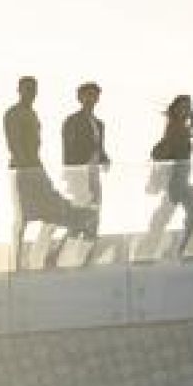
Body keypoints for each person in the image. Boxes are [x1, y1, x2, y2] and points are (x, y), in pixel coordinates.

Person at [2, 76, 97, 269]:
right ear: (19, 90)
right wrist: (28, 168)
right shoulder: (13, 113)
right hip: (23, 171)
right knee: (22, 218)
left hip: (35, 167)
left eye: (34, 89)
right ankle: (16, 264)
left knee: (52, 212)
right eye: (28, 88)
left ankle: (38, 258)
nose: (31, 93)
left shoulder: (32, 113)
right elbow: (14, 144)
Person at [145, 94, 193, 262]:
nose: (186, 109)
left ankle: (157, 247)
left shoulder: (178, 126)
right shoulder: (175, 127)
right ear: (175, 108)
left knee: (174, 212)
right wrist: (191, 124)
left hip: (180, 178)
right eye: (183, 106)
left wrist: (192, 123)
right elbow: (174, 147)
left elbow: (181, 142)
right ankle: (184, 248)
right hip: (176, 178)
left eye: (189, 106)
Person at [61, 82, 115, 265]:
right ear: (80, 98)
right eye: (87, 95)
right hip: (79, 175)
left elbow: (99, 148)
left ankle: (86, 256)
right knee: (79, 216)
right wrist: (72, 174)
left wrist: (105, 158)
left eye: (94, 95)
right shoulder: (72, 121)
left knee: (95, 214)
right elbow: (68, 150)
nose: (91, 99)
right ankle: (67, 256)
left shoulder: (99, 124)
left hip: (93, 175)